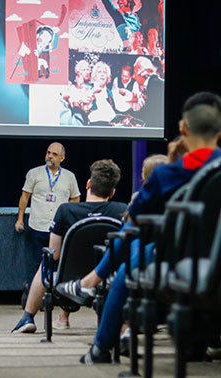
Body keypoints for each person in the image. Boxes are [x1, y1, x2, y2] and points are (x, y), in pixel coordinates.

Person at [56, 91, 221, 364]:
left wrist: (171, 161)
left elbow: (133, 220)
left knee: (130, 260)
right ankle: (195, 345)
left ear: (183, 129)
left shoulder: (169, 173)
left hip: (179, 262)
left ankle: (100, 346)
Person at [12, 159, 127, 333]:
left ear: (88, 184)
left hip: (68, 279)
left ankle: (27, 318)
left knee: (46, 261)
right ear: (112, 192)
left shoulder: (66, 210)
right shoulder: (121, 210)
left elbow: (55, 254)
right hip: (109, 276)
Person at [15, 143, 80, 273]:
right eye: (48, 152)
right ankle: (39, 292)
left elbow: (75, 198)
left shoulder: (69, 176)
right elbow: (24, 197)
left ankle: (54, 292)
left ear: (62, 158)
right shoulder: (34, 173)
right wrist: (20, 219)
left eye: (54, 154)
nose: (49, 156)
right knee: (38, 263)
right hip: (38, 226)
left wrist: (69, 217)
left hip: (59, 228)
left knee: (58, 263)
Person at [130, 56, 164, 127]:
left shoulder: (156, 85)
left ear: (142, 72)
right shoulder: (151, 84)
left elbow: (153, 117)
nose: (133, 76)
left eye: (135, 72)